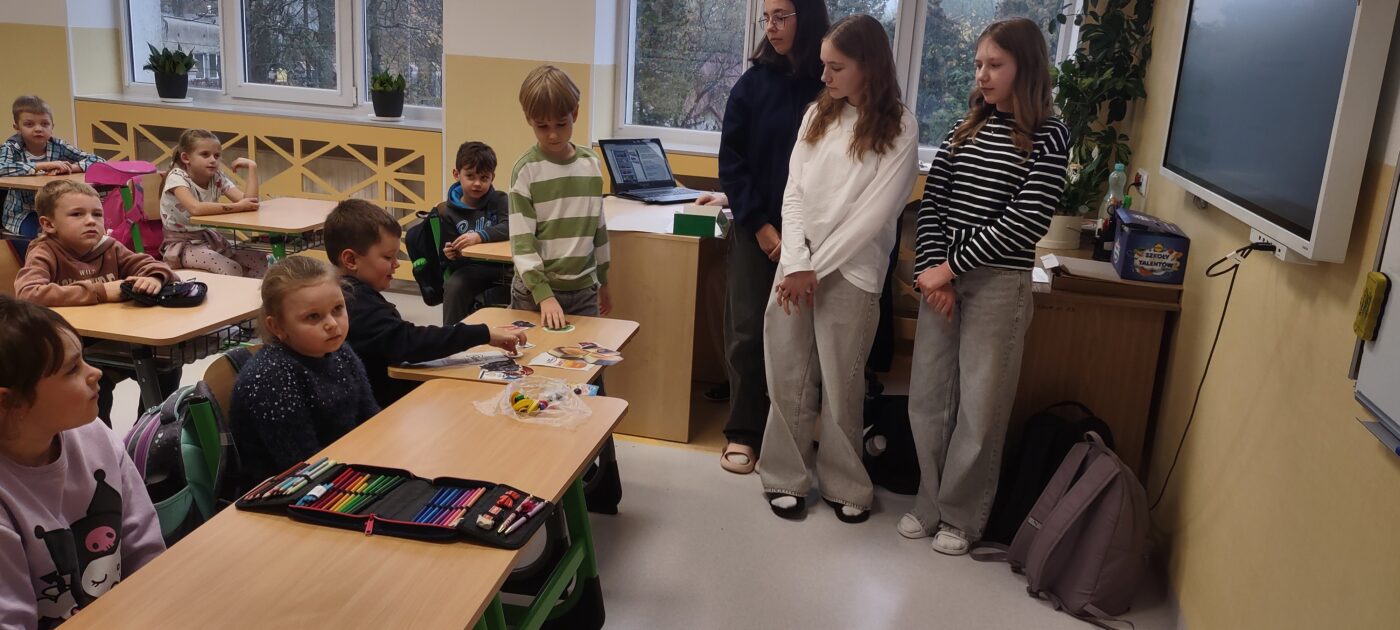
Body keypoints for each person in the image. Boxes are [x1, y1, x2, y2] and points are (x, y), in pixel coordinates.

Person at [901, 17, 1071, 554]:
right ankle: (929, 503)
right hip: (942, 280)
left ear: (1027, 67)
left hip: (998, 283)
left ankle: (960, 517)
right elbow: (933, 203)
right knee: (928, 398)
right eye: (979, 64)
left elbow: (1026, 221)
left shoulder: (1050, 134)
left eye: (995, 64)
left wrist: (950, 268)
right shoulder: (964, 127)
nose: (982, 75)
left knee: (981, 406)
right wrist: (935, 273)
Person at [758, 14, 919, 523]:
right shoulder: (817, 115)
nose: (824, 76)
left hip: (853, 271)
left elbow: (873, 217)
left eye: (836, 67)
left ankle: (846, 483)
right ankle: (784, 475)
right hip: (797, 265)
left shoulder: (900, 127)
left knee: (842, 383)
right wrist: (796, 262)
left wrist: (813, 268)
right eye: (824, 65)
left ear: (868, 67)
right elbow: (793, 193)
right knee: (787, 373)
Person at [705, 0, 830, 476]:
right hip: (757, 227)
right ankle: (743, 430)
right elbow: (732, 163)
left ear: (807, 17)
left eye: (781, 17)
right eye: (767, 18)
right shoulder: (752, 84)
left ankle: (794, 432)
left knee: (802, 337)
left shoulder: (831, 84)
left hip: (817, 233)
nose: (771, 27)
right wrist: (760, 226)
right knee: (746, 330)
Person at [0, 296, 165, 628]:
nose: (96, 372)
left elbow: (146, 551)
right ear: (10, 403)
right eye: (73, 369)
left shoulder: (94, 434)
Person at [14, 179, 181, 427]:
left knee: (166, 365)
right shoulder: (45, 251)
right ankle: (100, 439)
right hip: (73, 350)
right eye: (77, 214)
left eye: (97, 214)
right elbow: (28, 293)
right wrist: (100, 291)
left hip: (116, 340)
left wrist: (154, 277)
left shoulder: (109, 247)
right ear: (48, 224)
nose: (91, 221)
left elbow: (154, 266)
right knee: (94, 384)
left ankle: (146, 432)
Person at [328, 199, 523, 408]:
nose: (396, 264)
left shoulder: (354, 293)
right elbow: (410, 341)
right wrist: (483, 334)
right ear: (351, 260)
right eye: (388, 257)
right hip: (384, 410)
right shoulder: (354, 302)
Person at [229, 256, 380, 487]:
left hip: (343, 469)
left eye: (337, 309)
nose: (332, 324)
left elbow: (371, 420)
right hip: (293, 491)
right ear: (277, 327)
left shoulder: (339, 351)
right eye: (313, 316)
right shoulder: (272, 376)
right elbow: (302, 466)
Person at [507, 65, 611, 327]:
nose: (553, 134)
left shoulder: (591, 164)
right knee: (534, 353)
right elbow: (522, 244)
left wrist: (604, 280)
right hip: (536, 293)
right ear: (528, 119)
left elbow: (598, 228)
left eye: (561, 124)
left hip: (584, 289)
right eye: (542, 126)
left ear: (575, 113)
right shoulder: (526, 170)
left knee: (590, 354)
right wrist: (544, 295)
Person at [0, 95, 104, 258]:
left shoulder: (58, 145)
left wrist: (72, 167)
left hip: (57, 211)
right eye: (29, 124)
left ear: (52, 126)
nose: (38, 129)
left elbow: (98, 161)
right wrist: (41, 166)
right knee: (43, 238)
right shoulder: (12, 148)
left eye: (44, 124)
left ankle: (72, 266)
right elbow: (2, 167)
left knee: (76, 233)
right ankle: (39, 266)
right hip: (23, 213)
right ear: (17, 127)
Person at [158, 129, 268, 278]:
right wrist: (238, 207)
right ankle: (234, 294)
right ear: (185, 158)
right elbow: (195, 208)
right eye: (205, 154)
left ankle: (255, 293)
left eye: (216, 156)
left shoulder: (216, 177)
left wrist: (252, 167)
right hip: (183, 247)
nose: (213, 160)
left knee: (261, 260)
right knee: (231, 268)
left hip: (210, 241)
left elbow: (250, 203)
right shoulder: (176, 177)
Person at [438, 141, 512, 325]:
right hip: (472, 269)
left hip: (506, 267)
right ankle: (451, 335)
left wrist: (479, 236)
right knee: (455, 286)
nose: (477, 183)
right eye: (470, 176)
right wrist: (451, 253)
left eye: (484, 178)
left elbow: (509, 226)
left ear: (492, 177)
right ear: (457, 174)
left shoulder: (500, 200)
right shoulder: (447, 211)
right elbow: (448, 251)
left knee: (528, 284)